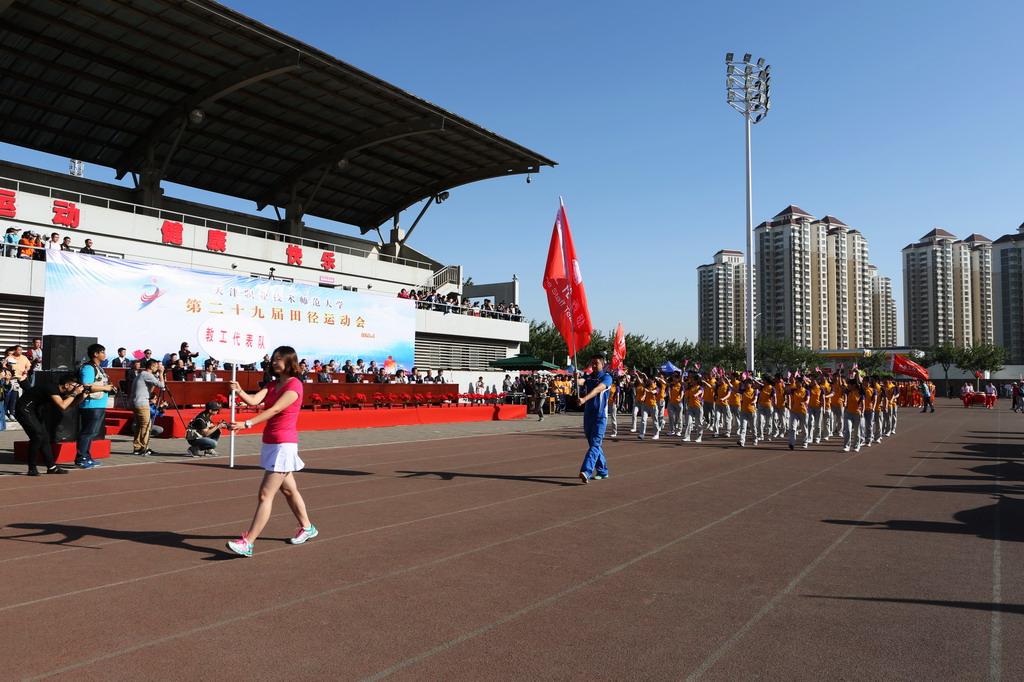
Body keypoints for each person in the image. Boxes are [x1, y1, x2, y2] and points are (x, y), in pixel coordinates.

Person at [225, 346, 317, 557]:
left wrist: (246, 424)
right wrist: (239, 390)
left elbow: (275, 409)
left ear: (290, 361)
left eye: (279, 359)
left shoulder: (295, 384)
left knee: (265, 494)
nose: (275, 362)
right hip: (271, 442)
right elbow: (254, 401)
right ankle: (307, 527)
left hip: (283, 444)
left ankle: (248, 543)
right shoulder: (272, 384)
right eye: (273, 359)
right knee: (289, 491)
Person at [14, 372, 86, 475]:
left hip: (34, 410)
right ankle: (32, 468)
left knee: (45, 437)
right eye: (74, 386)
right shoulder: (52, 388)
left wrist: (81, 397)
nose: (76, 388)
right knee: (37, 436)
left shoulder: (62, 392)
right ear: (66, 385)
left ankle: (52, 467)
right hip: (24, 409)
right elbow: (62, 405)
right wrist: (74, 393)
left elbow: (69, 405)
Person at [76, 343, 115, 468]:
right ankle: (81, 458)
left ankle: (87, 457)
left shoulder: (99, 368)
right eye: (102, 352)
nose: (105, 354)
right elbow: (86, 386)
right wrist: (105, 388)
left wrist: (108, 387)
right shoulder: (88, 368)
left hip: (98, 405)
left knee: (92, 433)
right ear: (95, 354)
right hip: (90, 405)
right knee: (87, 432)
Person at [576, 352, 612, 484]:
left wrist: (584, 399)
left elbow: (597, 390)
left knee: (595, 443)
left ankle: (586, 471)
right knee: (594, 444)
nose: (594, 365)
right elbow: (581, 382)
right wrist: (575, 378)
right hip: (588, 416)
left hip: (599, 416)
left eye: (596, 363)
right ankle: (602, 471)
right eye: (592, 363)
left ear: (603, 364)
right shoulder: (589, 377)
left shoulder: (607, 378)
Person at [130, 359, 165, 456]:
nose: (157, 368)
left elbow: (151, 389)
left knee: (140, 425)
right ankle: (144, 448)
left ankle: (137, 447)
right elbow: (162, 386)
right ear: (151, 367)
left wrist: (157, 376)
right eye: (156, 367)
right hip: (142, 403)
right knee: (146, 425)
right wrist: (161, 374)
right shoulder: (147, 375)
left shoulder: (141, 374)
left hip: (135, 403)